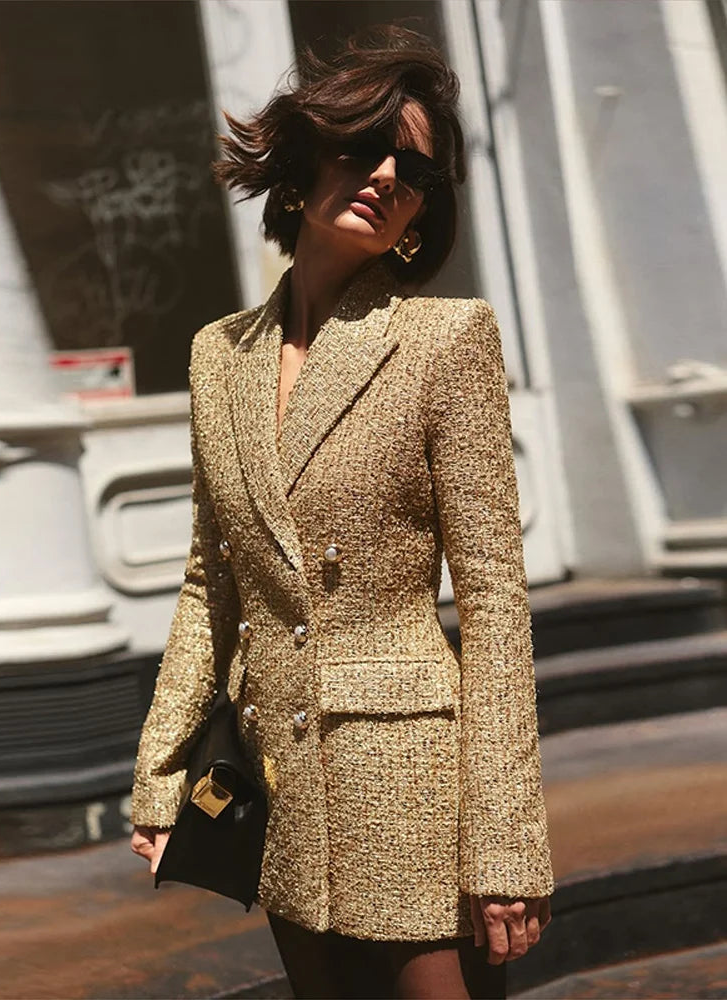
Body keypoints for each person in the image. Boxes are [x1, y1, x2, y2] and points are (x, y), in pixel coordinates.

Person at [129, 24, 554, 1000]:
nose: (388, 177)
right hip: (275, 773)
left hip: (409, 776)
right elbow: (211, 581)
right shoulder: (218, 356)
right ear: (302, 164)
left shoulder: (447, 340)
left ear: (421, 210)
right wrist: (162, 771)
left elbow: (494, 604)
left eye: (415, 170)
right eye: (364, 149)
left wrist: (506, 841)